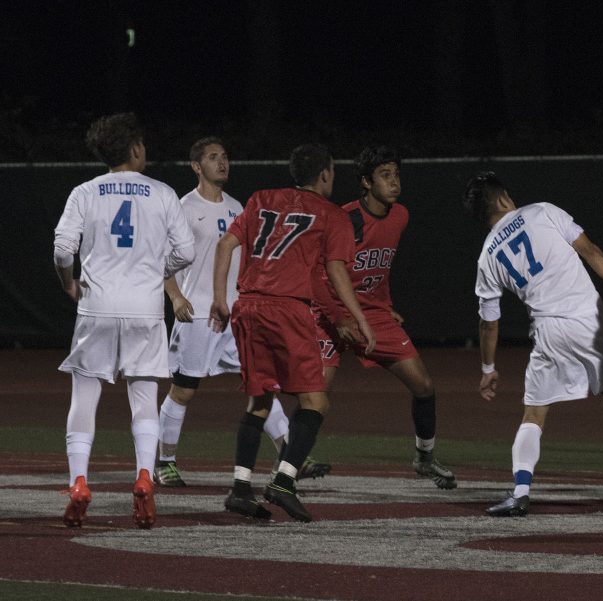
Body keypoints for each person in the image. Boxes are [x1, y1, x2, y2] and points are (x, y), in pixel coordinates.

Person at [464, 171, 603, 517]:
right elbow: (590, 251)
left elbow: (488, 323)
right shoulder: (542, 211)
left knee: (534, 414)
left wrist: (488, 368)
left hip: (548, 331)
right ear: (502, 199)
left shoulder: (487, 257)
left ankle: (521, 492)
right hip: (588, 320)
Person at [211, 143, 373, 522]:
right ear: (326, 174)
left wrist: (219, 299)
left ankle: (239, 488)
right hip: (287, 309)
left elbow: (224, 245)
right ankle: (283, 482)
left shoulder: (260, 198)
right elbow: (335, 270)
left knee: (260, 401)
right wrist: (359, 317)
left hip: (247, 305)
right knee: (316, 402)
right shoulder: (331, 215)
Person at [155, 137, 328, 488]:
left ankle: (291, 453)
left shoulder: (239, 207)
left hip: (239, 314)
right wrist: (174, 297)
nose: (223, 163)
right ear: (196, 167)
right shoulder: (183, 207)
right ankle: (165, 462)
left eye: (225, 156)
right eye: (213, 157)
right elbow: (162, 260)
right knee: (184, 390)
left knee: (262, 387)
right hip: (199, 313)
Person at [54, 112, 195, 529]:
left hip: (96, 306)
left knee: (84, 397)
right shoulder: (164, 193)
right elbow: (185, 252)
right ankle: (145, 478)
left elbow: (63, 250)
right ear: (135, 148)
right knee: (144, 399)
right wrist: (154, 269)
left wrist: (68, 284)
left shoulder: (85, 192)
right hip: (145, 308)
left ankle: (79, 483)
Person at [315, 146, 457, 490]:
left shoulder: (399, 216)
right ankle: (286, 465)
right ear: (366, 182)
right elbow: (318, 275)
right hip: (331, 314)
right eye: (385, 175)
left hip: (373, 315)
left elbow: (379, 269)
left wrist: (383, 304)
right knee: (315, 397)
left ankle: (424, 458)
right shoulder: (344, 219)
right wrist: (339, 318)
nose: (394, 182)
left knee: (424, 385)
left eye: (396, 175)